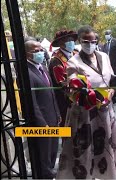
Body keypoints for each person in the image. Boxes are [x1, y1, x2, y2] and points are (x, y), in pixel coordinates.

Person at [56, 25, 116, 179]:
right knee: (85, 152)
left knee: (105, 147)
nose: (90, 44)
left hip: (106, 111)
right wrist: (90, 96)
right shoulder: (73, 62)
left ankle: (105, 174)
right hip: (85, 114)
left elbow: (112, 80)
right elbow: (73, 89)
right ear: (79, 41)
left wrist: (111, 92)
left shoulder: (104, 57)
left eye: (93, 41)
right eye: (86, 41)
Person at [25, 40, 60, 178]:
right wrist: (41, 122)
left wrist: (57, 113)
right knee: (43, 154)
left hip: (52, 118)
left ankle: (49, 173)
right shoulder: (27, 72)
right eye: (36, 50)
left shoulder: (43, 68)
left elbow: (51, 93)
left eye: (41, 49)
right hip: (41, 121)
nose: (40, 52)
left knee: (52, 151)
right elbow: (32, 102)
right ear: (27, 54)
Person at [49, 30, 78, 127]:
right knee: (69, 126)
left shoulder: (76, 53)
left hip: (81, 96)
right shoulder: (56, 60)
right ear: (61, 43)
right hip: (66, 99)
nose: (72, 42)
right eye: (68, 40)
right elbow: (62, 82)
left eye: (73, 40)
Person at [100, 29, 116, 103]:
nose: (106, 35)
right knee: (109, 80)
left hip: (115, 64)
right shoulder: (105, 44)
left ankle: (114, 96)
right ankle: (111, 95)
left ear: (111, 34)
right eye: (105, 34)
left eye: (107, 34)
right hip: (108, 65)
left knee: (114, 80)